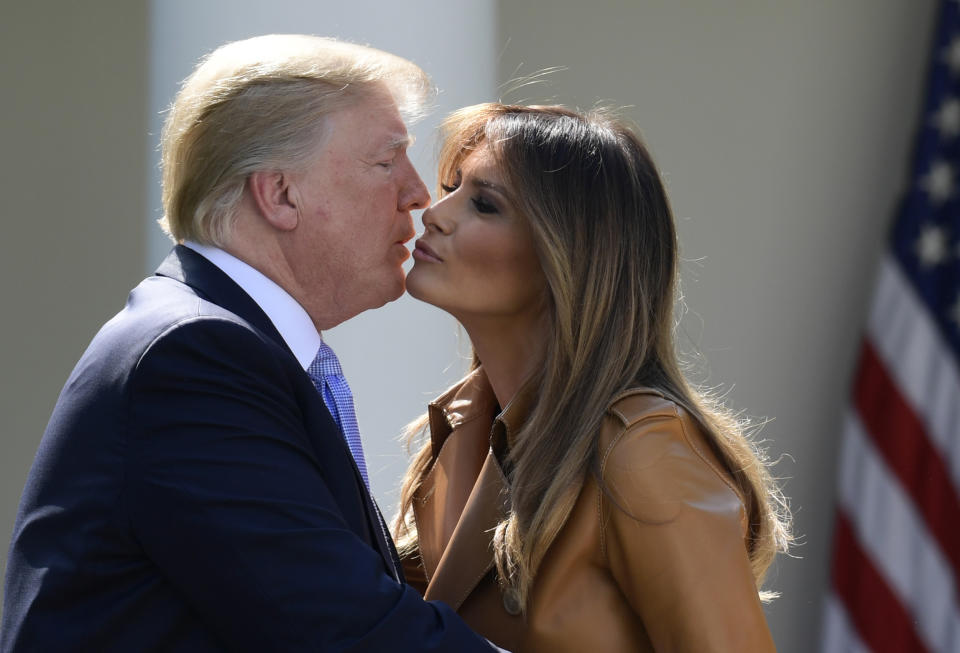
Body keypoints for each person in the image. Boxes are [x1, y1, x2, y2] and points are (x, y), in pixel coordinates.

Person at [1, 35, 502, 652]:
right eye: (386, 161)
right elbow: (342, 627)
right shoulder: (194, 355)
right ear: (280, 193)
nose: (419, 194)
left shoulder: (220, 343)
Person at [394, 103, 793, 652]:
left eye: (484, 204)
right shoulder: (460, 428)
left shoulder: (641, 448)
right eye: (451, 186)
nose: (435, 213)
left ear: (567, 255)